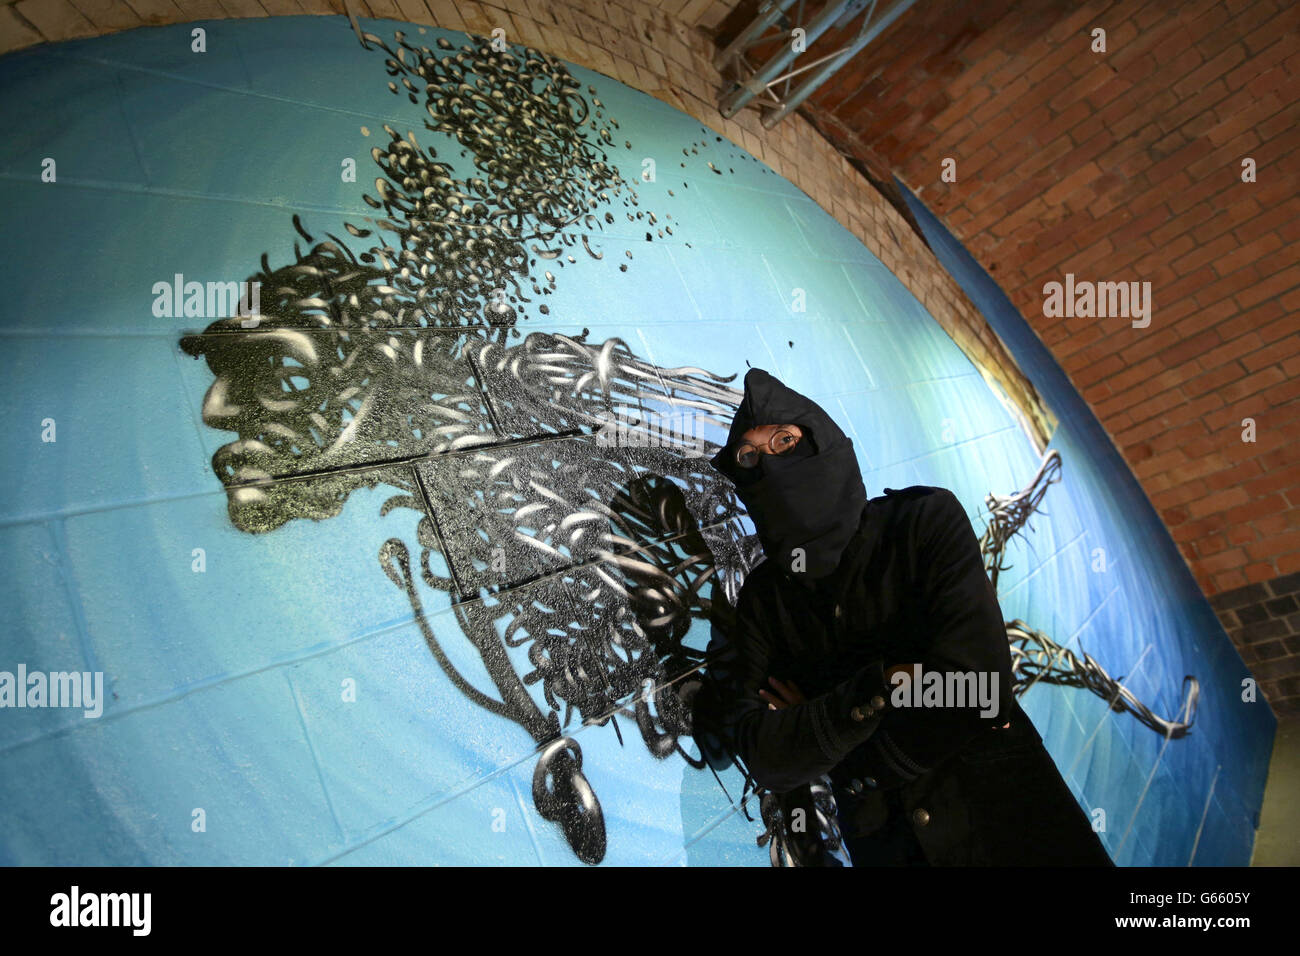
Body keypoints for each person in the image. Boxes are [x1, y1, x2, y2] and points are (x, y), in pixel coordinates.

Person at [708, 367, 1114, 866]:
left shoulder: (921, 524)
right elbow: (767, 758)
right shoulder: (764, 602)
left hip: (1013, 828)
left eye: (784, 440)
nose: (769, 464)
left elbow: (981, 690)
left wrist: (837, 721)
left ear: (823, 438)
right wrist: (898, 681)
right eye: (750, 457)